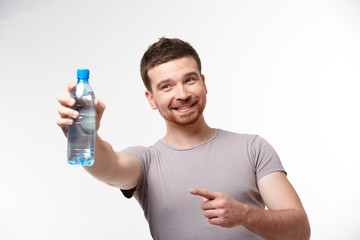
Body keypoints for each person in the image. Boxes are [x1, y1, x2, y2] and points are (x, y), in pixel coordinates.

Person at [57, 37, 311, 239]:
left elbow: (300, 232)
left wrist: (245, 215)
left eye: (189, 80)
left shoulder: (253, 148)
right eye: (166, 86)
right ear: (151, 99)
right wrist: (88, 136)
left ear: (203, 83)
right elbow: (108, 166)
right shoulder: (146, 161)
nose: (182, 94)